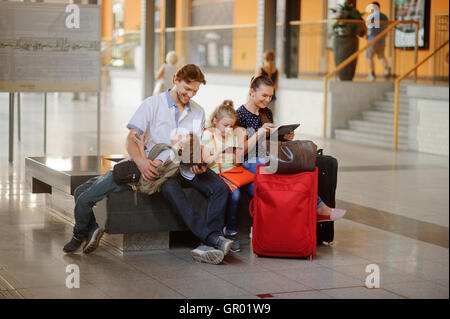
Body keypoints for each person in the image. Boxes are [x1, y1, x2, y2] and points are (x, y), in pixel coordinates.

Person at [63, 64, 233, 265]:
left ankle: (209, 242)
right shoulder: (152, 104)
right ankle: (212, 239)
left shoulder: (198, 112)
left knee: (220, 188)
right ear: (175, 79)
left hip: (184, 166)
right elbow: (132, 139)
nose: (190, 94)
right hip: (160, 168)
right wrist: (142, 162)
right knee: (170, 189)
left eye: (195, 91)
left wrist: (197, 162)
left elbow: (192, 144)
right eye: (187, 88)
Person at [236, 75, 346, 223]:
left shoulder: (266, 112)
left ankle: (317, 207)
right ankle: (318, 208)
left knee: (298, 170)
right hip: (250, 161)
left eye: (270, 96)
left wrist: (284, 138)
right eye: (264, 95)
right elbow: (239, 151)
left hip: (268, 157)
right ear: (252, 92)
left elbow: (269, 142)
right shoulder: (239, 115)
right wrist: (259, 133)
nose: (267, 99)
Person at [201, 100, 247, 253]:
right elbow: (206, 161)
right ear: (215, 121)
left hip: (231, 173)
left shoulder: (231, 136)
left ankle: (231, 231)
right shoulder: (207, 135)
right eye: (225, 125)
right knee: (231, 193)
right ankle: (224, 232)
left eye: (231, 126)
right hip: (215, 173)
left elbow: (236, 163)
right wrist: (220, 152)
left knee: (237, 193)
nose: (228, 129)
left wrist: (236, 152)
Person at [365, 2, 390, 81]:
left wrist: (367, 36)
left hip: (373, 40)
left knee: (369, 57)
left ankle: (372, 74)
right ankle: (386, 69)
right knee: (381, 56)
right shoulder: (385, 17)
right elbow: (387, 28)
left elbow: (371, 29)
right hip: (382, 40)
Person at [256, 50, 279, 118]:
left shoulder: (261, 69)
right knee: (270, 118)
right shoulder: (276, 70)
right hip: (272, 97)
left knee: (260, 117)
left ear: (264, 59)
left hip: (261, 97)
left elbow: (256, 84)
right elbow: (276, 86)